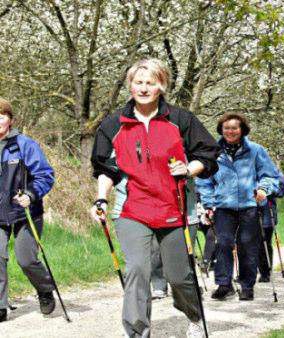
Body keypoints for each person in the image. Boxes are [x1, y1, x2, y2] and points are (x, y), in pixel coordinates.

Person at [90, 58, 220, 338]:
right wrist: (101, 199)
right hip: (132, 210)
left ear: (161, 87)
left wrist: (188, 169)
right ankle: (137, 332)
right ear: (130, 86)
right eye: (139, 82)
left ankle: (194, 315)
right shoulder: (114, 124)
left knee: (179, 276)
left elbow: (208, 155)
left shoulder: (180, 119)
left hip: (177, 210)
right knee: (137, 269)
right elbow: (105, 168)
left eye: (151, 83)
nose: (144, 88)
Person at [196, 112, 279, 301]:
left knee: (248, 246)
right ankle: (224, 284)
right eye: (226, 128)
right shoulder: (214, 151)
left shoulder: (256, 150)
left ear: (242, 130)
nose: (230, 131)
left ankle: (247, 285)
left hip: (250, 204)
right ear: (221, 130)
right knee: (223, 243)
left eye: (234, 128)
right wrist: (208, 203)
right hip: (223, 206)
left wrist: (263, 189)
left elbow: (270, 175)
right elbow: (204, 181)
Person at [0, 97, 56, 322]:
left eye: (1, 116)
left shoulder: (25, 145)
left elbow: (45, 175)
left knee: (26, 259)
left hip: (25, 212)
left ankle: (44, 289)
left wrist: (31, 194)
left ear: (10, 120)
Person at [257, 169, 284, 282]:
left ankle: (265, 271)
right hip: (245, 211)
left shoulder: (270, 168)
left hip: (266, 211)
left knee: (263, 241)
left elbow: (282, 186)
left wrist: (270, 191)